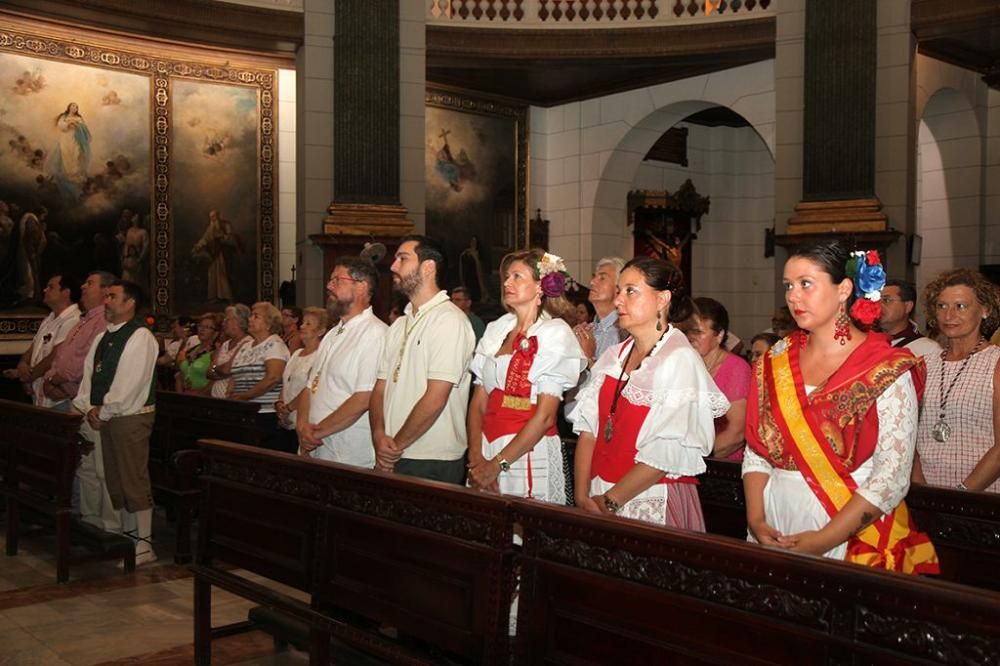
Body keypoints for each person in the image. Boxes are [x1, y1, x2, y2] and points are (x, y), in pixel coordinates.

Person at [743, 242, 938, 574]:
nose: (793, 296)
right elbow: (758, 449)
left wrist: (824, 539)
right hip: (774, 517)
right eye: (788, 286)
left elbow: (891, 475)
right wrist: (756, 518)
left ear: (844, 289)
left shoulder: (885, 367)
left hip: (846, 525)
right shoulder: (776, 359)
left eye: (806, 283)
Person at [570, 257, 728, 529]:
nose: (619, 300)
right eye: (619, 290)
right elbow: (588, 431)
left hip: (647, 495)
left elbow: (666, 452)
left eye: (630, 291)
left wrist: (609, 502)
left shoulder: (679, 359)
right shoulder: (612, 357)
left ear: (662, 299)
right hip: (596, 493)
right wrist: (582, 496)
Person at [466, 251, 585, 502]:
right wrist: (477, 458)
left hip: (527, 450)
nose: (507, 283)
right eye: (507, 277)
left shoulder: (553, 333)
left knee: (524, 530)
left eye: (517, 277)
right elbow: (478, 403)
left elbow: (544, 417)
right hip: (486, 446)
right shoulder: (497, 329)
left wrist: (496, 466)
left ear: (540, 286)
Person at [370, 235, 475, 483]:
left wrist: (395, 446)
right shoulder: (399, 325)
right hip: (390, 451)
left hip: (431, 457)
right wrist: (378, 436)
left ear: (428, 267)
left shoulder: (449, 320)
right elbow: (380, 388)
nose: (394, 266)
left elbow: (436, 396)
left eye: (402, 259)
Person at [73, 280, 159, 565]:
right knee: (115, 479)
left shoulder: (140, 336)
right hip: (106, 416)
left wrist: (105, 410)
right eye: (106, 295)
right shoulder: (103, 337)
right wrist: (87, 406)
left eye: (112, 296)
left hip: (130, 417)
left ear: (130, 302)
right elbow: (89, 378)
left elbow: (130, 383)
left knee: (132, 478)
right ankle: (128, 538)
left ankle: (144, 545)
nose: (106, 301)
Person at [914, 268, 1000, 493]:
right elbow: (908, 434)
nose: (949, 315)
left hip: (981, 499)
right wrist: (919, 486)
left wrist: (962, 494)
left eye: (960, 306)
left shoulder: (995, 363)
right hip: (925, 495)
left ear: (985, 310)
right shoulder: (923, 364)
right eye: (942, 306)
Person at [298, 257, 387, 467]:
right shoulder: (332, 334)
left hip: (347, 453)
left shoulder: (375, 333)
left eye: (337, 280)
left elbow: (364, 398)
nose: (329, 286)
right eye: (331, 280)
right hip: (316, 445)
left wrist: (316, 432)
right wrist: (302, 427)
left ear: (361, 287)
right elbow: (310, 387)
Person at [685, 297, 751, 460]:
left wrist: (698, 458)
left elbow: (737, 431)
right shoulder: (685, 365)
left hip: (721, 466)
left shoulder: (736, 369)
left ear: (720, 335)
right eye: (687, 331)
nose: (690, 337)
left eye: (698, 332)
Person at [3, 274, 80, 406]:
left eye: (51, 287)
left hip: (58, 400)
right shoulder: (48, 319)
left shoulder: (73, 320)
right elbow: (32, 349)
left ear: (66, 293)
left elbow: (55, 357)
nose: (45, 290)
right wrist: (22, 365)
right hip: (39, 397)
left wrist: (28, 376)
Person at [42, 271, 115, 413]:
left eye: (90, 283)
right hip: (67, 395)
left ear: (105, 290)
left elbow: (88, 358)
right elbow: (61, 355)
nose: (83, 287)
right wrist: (50, 377)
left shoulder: (104, 320)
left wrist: (56, 379)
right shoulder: (83, 320)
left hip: (85, 401)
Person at [229, 302, 289, 451]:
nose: (250, 319)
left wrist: (245, 396)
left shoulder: (274, 344)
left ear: (269, 324)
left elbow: (273, 378)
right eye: (251, 316)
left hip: (265, 413)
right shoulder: (246, 345)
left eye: (256, 316)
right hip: (244, 410)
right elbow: (235, 373)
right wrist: (231, 392)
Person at [276, 306, 328, 453]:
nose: (302, 326)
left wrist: (288, 408)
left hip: (303, 420)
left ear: (321, 331)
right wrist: (280, 404)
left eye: (309, 324)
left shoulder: (320, 355)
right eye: (303, 323)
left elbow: (310, 388)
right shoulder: (296, 353)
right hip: (285, 419)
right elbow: (286, 382)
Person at [573, 257, 627, 368]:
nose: (592, 282)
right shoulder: (588, 330)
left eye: (602, 278)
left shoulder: (624, 334)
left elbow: (614, 383)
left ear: (619, 288)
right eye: (593, 277)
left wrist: (590, 357)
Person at [880, 278, 941, 358]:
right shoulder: (865, 341)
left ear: (908, 306)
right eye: (876, 300)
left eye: (886, 300)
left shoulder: (927, 350)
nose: (878, 306)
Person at [191, 209, 239, 303]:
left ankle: (228, 297)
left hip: (224, 254)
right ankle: (215, 296)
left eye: (214, 216)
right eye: (211, 217)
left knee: (223, 274)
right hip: (214, 254)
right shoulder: (210, 228)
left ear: (218, 216)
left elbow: (230, 237)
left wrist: (222, 237)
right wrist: (197, 247)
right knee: (212, 274)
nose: (212, 219)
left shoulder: (226, 225)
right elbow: (204, 239)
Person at [207, 304, 252, 398]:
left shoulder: (248, 343)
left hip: (232, 397)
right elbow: (209, 373)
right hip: (215, 396)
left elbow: (227, 370)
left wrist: (217, 369)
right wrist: (221, 370)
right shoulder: (225, 344)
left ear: (238, 321)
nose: (224, 323)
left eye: (227, 320)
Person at [175, 313, 221, 394]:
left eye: (207, 327)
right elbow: (180, 374)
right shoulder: (191, 350)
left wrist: (200, 394)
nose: (202, 329)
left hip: (204, 398)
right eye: (200, 326)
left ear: (215, 333)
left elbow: (216, 380)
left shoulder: (216, 352)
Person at [50, 102, 91, 183]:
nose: (74, 108)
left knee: (76, 154)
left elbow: (84, 127)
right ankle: (68, 175)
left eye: (76, 107)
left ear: (77, 109)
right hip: (65, 138)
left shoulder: (79, 117)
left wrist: (77, 125)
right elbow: (60, 125)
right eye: (72, 106)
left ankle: (75, 173)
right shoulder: (63, 116)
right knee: (66, 154)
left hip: (76, 138)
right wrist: (68, 124)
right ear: (69, 107)